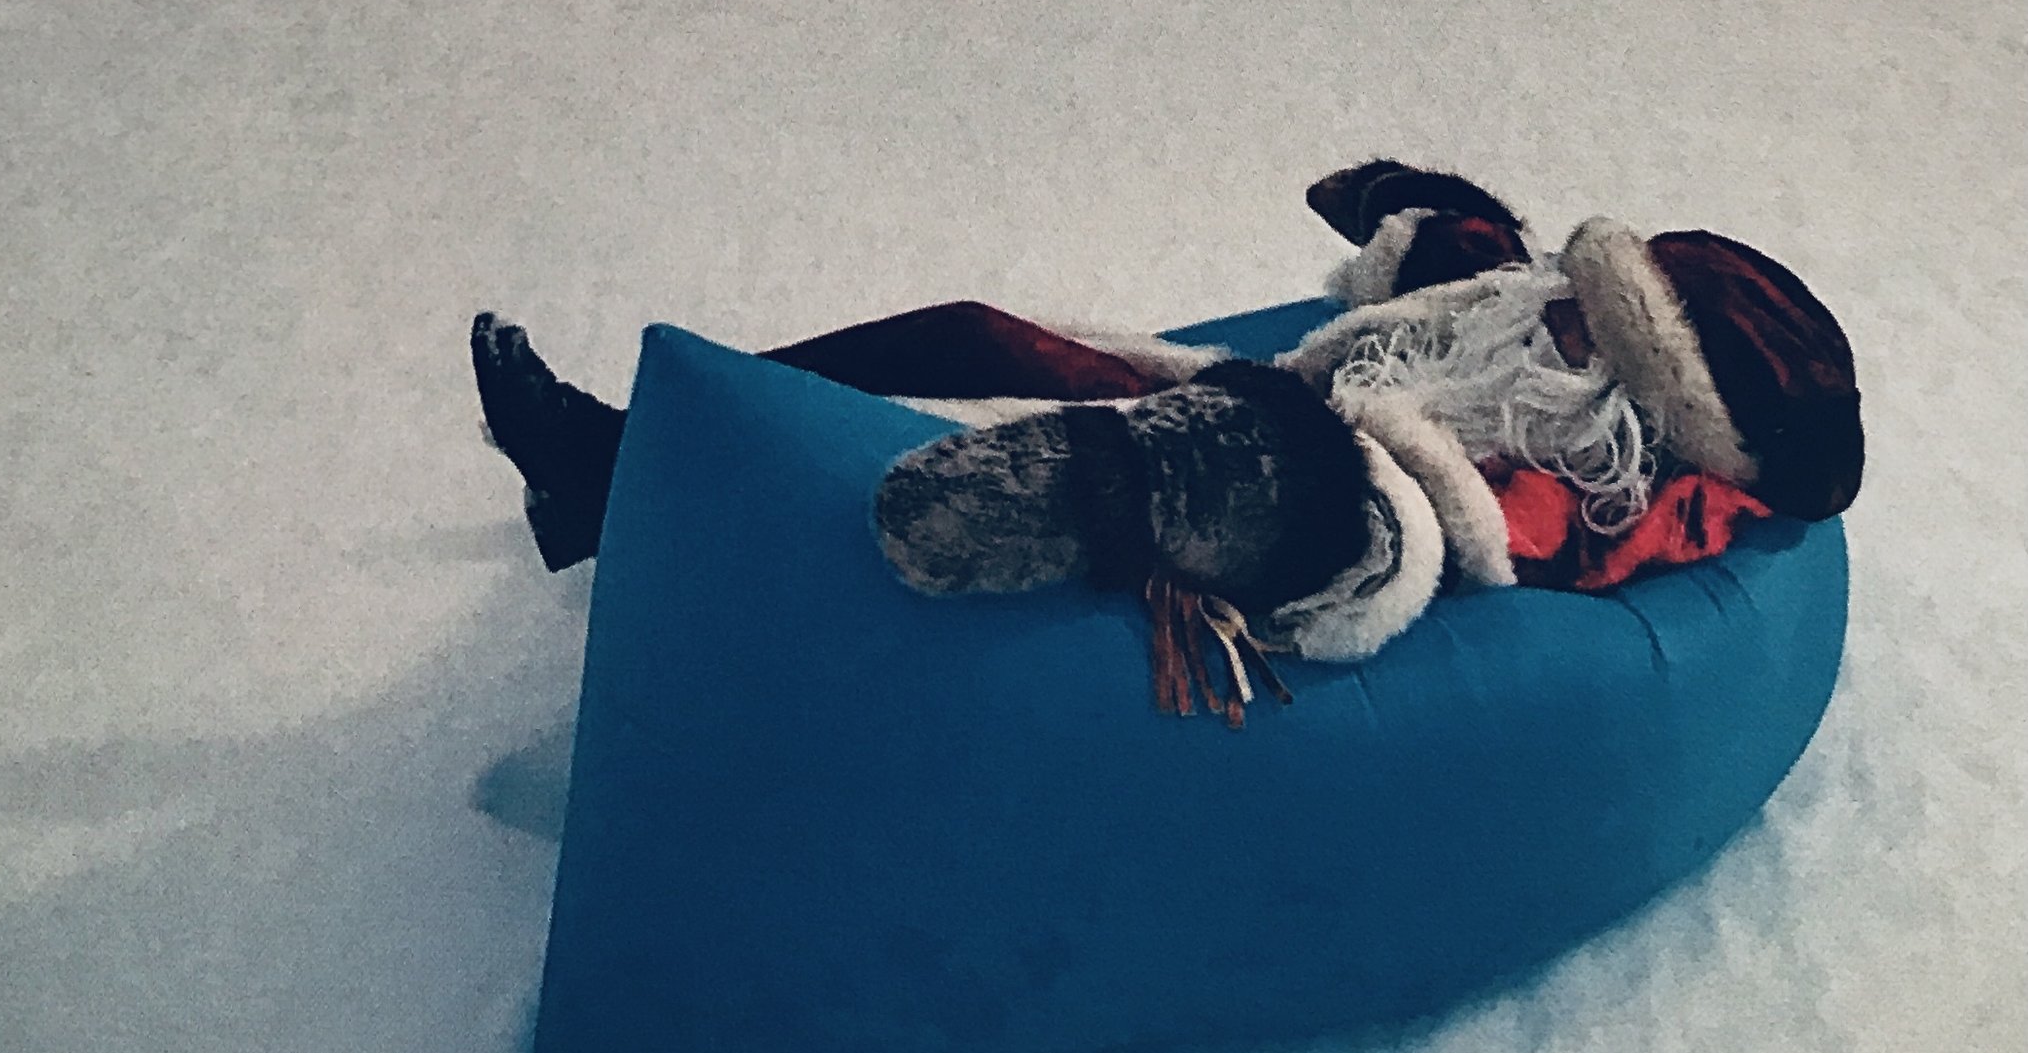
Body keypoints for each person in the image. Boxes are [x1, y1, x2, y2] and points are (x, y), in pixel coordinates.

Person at [472, 159, 1863, 702]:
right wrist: (1419, 213)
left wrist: (1265, 477)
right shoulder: (1514, 328)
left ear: (1636, 400)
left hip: (1278, 484)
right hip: (1264, 397)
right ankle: (621, 457)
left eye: (1588, 323)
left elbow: (1451, 537)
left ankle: (645, 491)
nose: (1550, 307)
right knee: (977, 332)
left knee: (984, 418)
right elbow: (1469, 273)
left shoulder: (1589, 488)